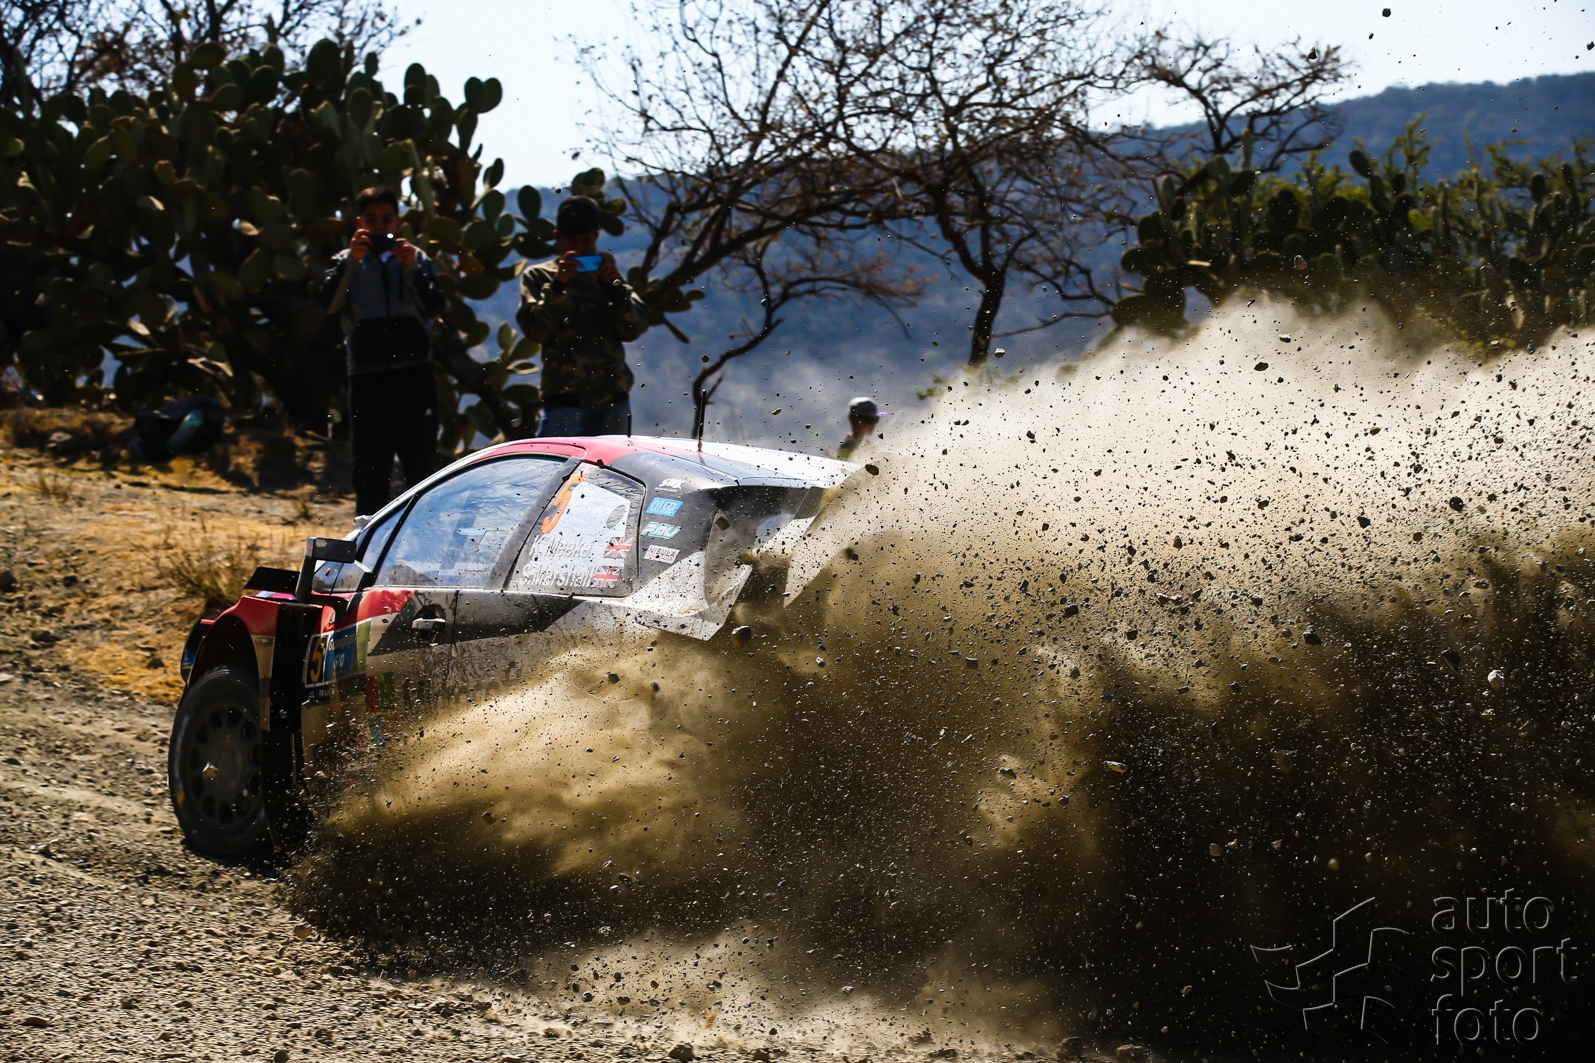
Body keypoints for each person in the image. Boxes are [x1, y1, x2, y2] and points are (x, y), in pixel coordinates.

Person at [321, 186, 444, 516]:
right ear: (359, 223)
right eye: (371, 219)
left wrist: (410, 268)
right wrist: (351, 262)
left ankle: (422, 529)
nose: (379, 226)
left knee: (420, 462)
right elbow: (328, 305)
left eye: (386, 219)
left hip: (414, 373)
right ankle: (368, 534)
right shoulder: (344, 261)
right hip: (366, 375)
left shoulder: (416, 258)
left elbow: (434, 307)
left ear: (398, 222)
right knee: (369, 466)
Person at [516, 195, 650, 436]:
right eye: (572, 240)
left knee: (614, 462)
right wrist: (557, 286)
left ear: (596, 236)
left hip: (613, 399)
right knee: (556, 461)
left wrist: (615, 290)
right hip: (565, 401)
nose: (579, 247)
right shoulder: (539, 277)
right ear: (557, 237)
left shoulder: (607, 274)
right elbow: (535, 331)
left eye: (586, 240)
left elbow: (634, 328)